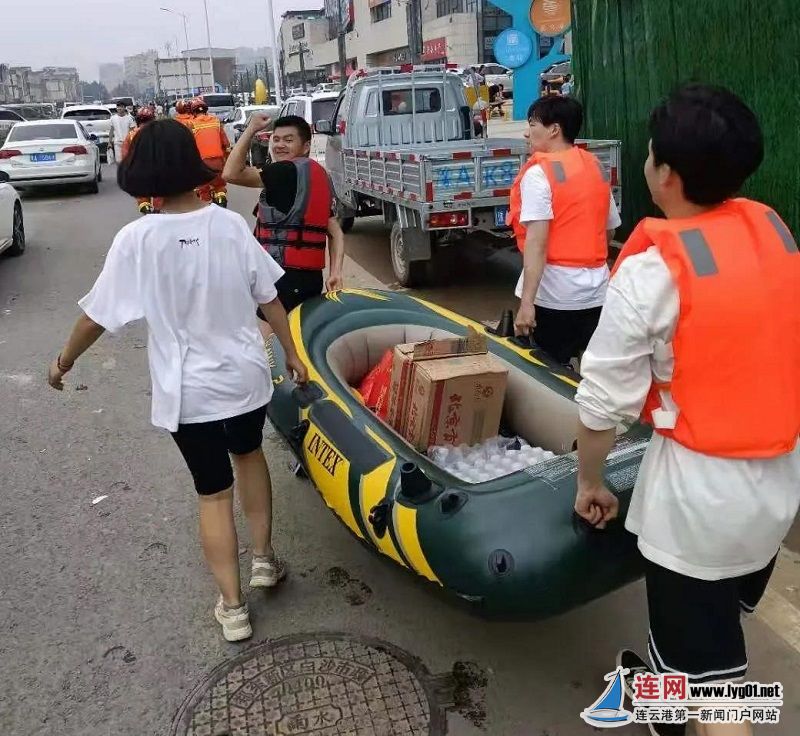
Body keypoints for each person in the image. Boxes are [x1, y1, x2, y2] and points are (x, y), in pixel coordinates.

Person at [574, 84, 800, 736]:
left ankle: (696, 705)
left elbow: (600, 405)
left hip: (700, 508)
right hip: (775, 488)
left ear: (664, 175)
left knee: (721, 687)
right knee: (703, 635)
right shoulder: (773, 233)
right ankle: (668, 704)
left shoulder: (652, 274)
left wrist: (590, 482)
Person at [46, 119, 309, 643]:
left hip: (188, 394)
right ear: (193, 164)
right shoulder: (231, 226)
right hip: (243, 381)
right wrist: (293, 353)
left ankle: (233, 608)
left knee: (213, 494)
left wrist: (63, 360)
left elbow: (97, 315)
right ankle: (262, 560)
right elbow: (270, 299)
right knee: (250, 456)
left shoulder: (136, 240)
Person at [508, 95, 620, 365]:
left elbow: (537, 243)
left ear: (554, 129)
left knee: (550, 374)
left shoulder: (539, 174)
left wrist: (527, 305)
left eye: (532, 123)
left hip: (556, 296)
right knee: (593, 373)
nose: (526, 132)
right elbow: (610, 230)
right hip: (598, 292)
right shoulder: (594, 166)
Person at [223, 113, 345, 339]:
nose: (280, 145)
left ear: (306, 145)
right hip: (309, 279)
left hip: (284, 278)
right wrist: (335, 271)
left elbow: (230, 173)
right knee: (299, 340)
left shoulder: (284, 172)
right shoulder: (317, 174)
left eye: (288, 140)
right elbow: (335, 231)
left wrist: (250, 130)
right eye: (276, 139)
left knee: (268, 348)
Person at [190, 97, 231, 207]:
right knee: (219, 185)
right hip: (218, 161)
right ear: (206, 110)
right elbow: (226, 144)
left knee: (203, 187)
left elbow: (188, 147)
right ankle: (221, 197)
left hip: (202, 163)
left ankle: (206, 206)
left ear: (193, 112)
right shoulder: (216, 121)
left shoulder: (191, 124)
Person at [121, 107, 162, 214]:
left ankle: (145, 207)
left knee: (142, 193)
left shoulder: (131, 135)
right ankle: (157, 210)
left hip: (139, 169)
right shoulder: (159, 132)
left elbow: (125, 155)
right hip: (157, 168)